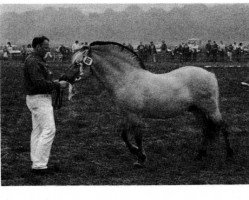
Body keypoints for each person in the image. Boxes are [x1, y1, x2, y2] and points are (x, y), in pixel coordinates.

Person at [24, 36, 69, 175]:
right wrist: (57, 85)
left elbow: (40, 81)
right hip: (39, 99)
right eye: (45, 47)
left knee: (37, 131)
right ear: (37, 47)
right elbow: (39, 83)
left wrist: (54, 82)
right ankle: (39, 165)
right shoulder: (34, 61)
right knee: (49, 130)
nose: (47, 50)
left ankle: (37, 161)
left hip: (36, 98)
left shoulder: (35, 60)